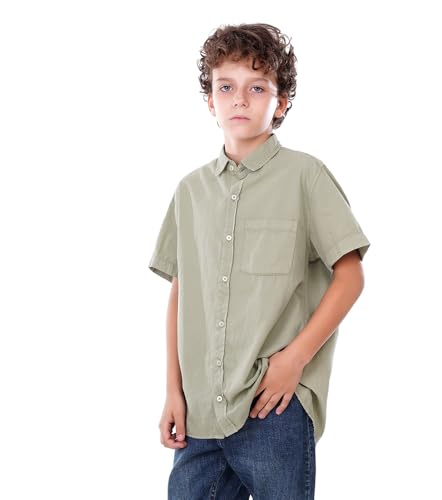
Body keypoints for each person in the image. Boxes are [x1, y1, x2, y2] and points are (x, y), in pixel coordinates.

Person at [148, 22, 371, 499]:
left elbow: (350, 276)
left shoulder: (306, 176)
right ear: (210, 101)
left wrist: (294, 360)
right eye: (225, 87)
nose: (240, 100)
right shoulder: (190, 191)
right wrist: (173, 391)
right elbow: (181, 294)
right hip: (200, 412)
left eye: (257, 88)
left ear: (281, 101)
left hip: (273, 403)